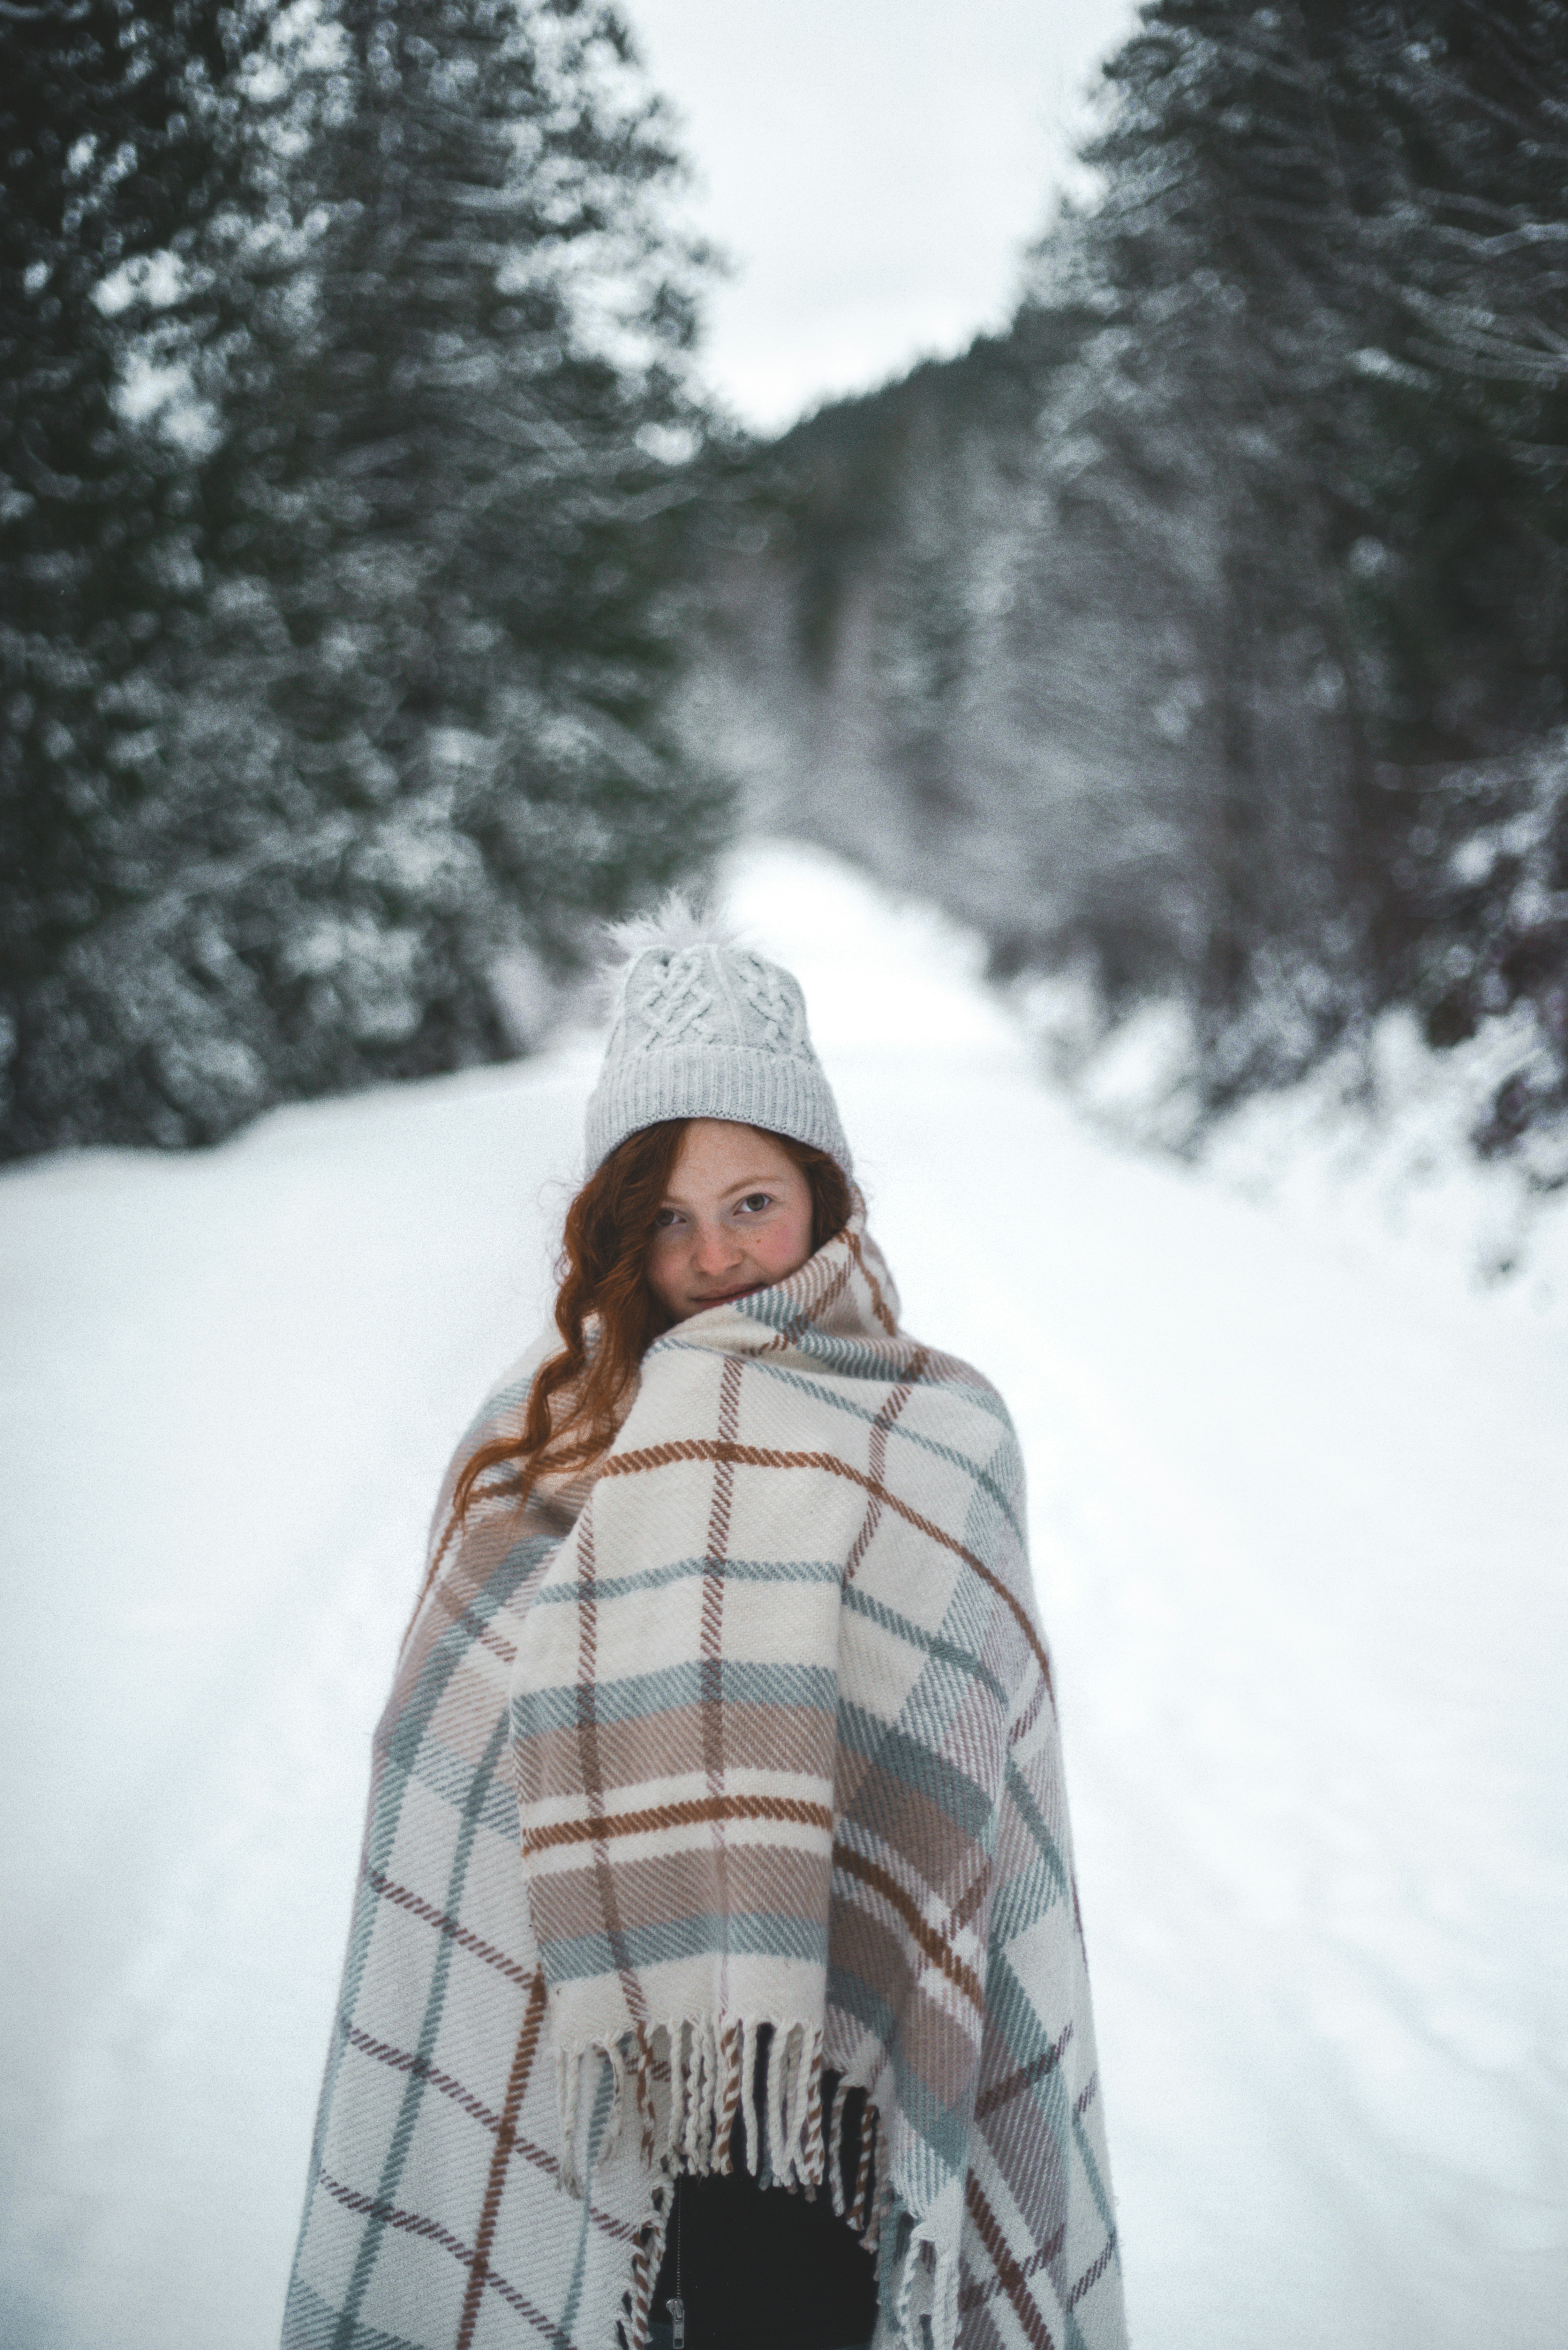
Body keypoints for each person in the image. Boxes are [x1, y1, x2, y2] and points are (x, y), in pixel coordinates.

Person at [283, 910, 1127, 2350]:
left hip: (843, 2093)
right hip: (612, 2072)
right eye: (669, 1217)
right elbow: (444, 1740)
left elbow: (973, 1758)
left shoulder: (943, 1427)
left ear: (821, 1191)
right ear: (620, 1229)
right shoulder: (539, 1428)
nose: (718, 1252)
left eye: (752, 1202)